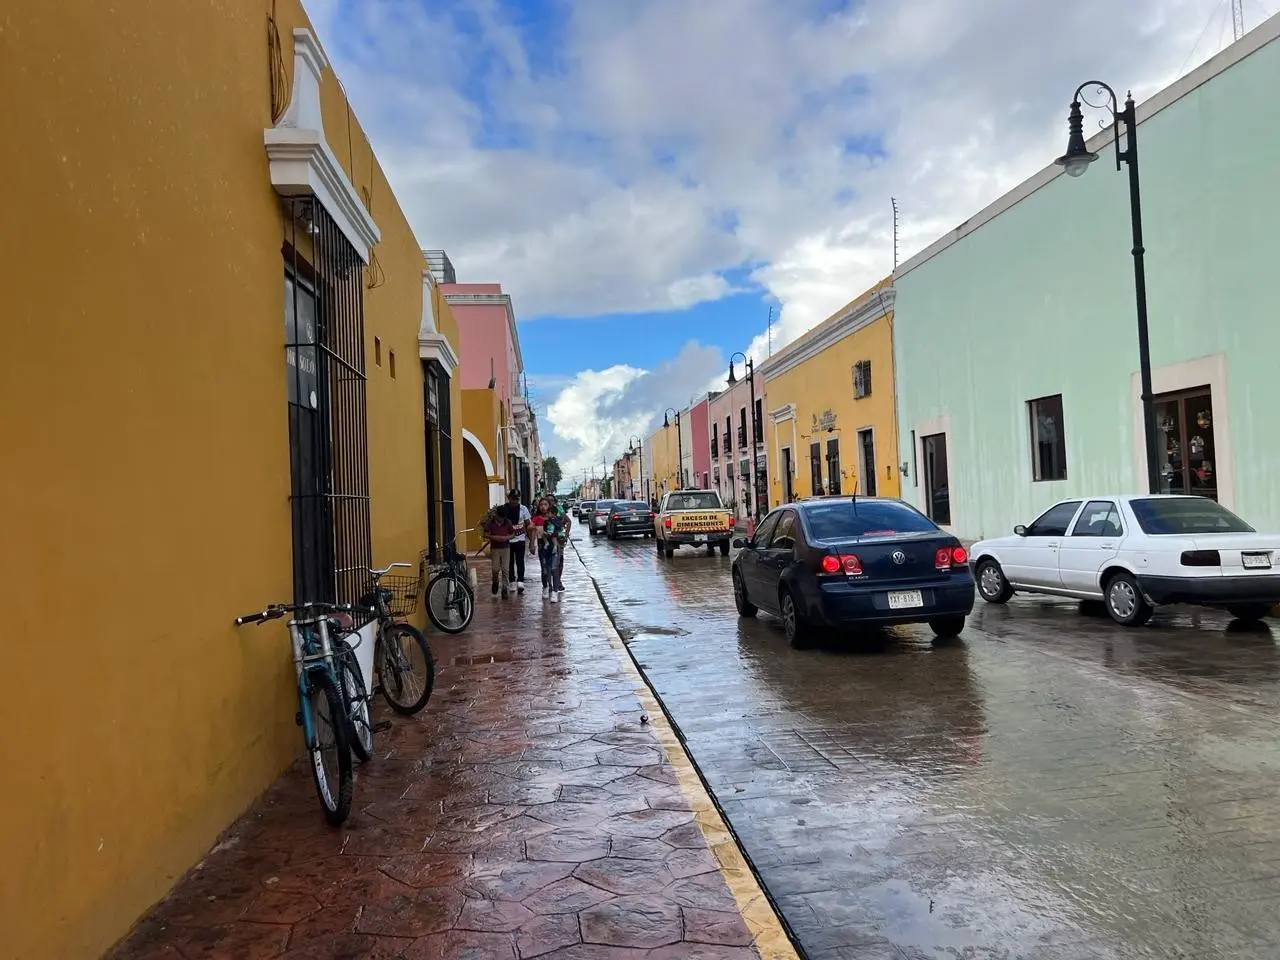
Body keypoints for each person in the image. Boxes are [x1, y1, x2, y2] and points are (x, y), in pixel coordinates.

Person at [482, 493, 520, 597]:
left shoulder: (507, 522)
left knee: (505, 569)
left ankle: (504, 588)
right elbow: (485, 534)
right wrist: (494, 537)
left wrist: (506, 538)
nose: (501, 520)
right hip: (495, 548)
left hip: (506, 548)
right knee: (495, 569)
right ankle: (495, 582)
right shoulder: (490, 523)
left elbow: (513, 533)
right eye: (500, 517)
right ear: (496, 515)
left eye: (503, 518)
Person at [531, 496, 565, 601]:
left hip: (554, 547)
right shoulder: (537, 518)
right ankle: (545, 587)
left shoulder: (554, 518)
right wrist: (532, 543)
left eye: (545, 505)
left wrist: (562, 535)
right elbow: (531, 529)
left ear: (549, 506)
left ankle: (555, 592)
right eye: (541, 505)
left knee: (554, 569)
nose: (543, 507)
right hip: (542, 547)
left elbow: (561, 528)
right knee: (545, 570)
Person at [506, 490, 531, 595]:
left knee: (520, 560)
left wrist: (530, 539)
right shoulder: (504, 509)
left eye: (517, 499)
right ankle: (512, 581)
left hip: (520, 539)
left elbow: (528, 523)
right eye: (513, 499)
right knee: (510, 562)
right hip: (508, 540)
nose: (515, 501)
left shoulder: (523, 509)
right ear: (509, 498)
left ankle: (520, 581)